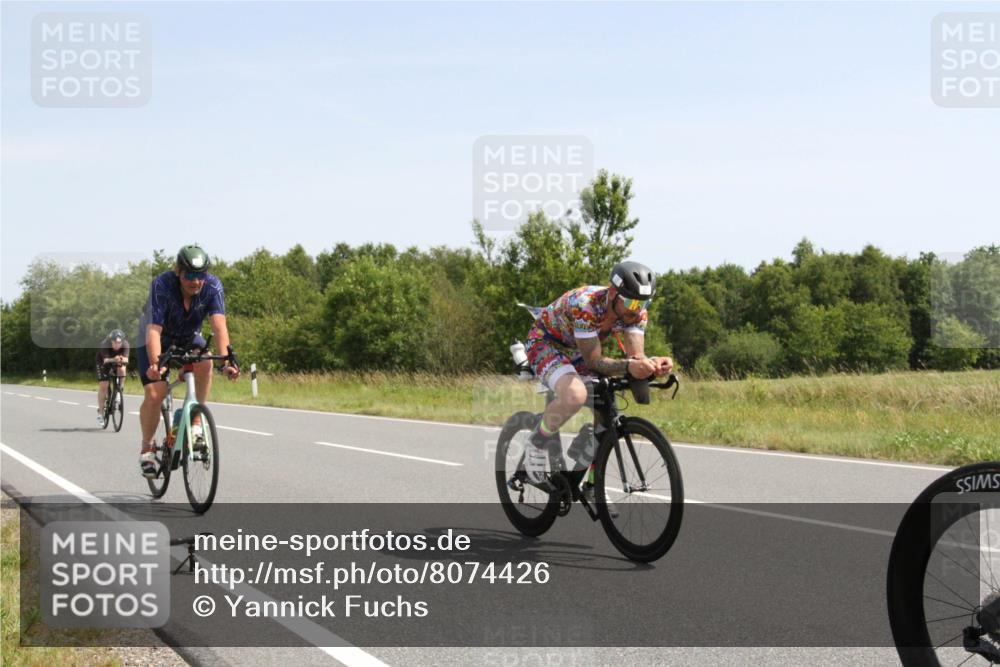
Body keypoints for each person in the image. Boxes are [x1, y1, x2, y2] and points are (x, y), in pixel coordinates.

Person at [522, 261, 674, 494]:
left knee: (607, 407)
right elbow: (594, 361)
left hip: (579, 349)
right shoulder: (587, 305)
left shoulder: (636, 314)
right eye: (632, 302)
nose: (637, 309)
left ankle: (593, 484)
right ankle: (534, 447)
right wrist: (631, 366)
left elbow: (635, 356)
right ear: (613, 293)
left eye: (644, 302)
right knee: (575, 395)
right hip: (547, 343)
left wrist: (652, 364)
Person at [136, 244, 239, 477]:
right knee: (155, 393)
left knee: (206, 363)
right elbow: (153, 330)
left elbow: (219, 326)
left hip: (187, 337)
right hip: (154, 337)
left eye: (201, 275)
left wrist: (227, 362)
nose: (196, 281)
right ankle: (147, 448)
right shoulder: (162, 285)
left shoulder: (212, 287)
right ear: (178, 271)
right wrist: (156, 364)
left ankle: (193, 423)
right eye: (190, 275)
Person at [95, 329, 129, 424]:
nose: (117, 345)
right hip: (103, 362)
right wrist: (114, 359)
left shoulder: (125, 344)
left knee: (122, 369)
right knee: (104, 386)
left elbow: (126, 359)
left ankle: (119, 390)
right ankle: (101, 413)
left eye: (119, 343)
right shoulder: (105, 344)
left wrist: (122, 359)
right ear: (111, 341)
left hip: (116, 361)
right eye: (114, 342)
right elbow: (105, 360)